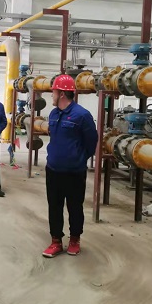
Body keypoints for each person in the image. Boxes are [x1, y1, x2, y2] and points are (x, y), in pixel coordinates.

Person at [42, 74, 98, 258]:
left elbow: (91, 142)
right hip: (53, 170)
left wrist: (78, 158)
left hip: (74, 172)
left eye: (54, 92)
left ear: (62, 94)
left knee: (75, 207)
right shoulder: (53, 114)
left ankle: (74, 240)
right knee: (54, 206)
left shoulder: (82, 115)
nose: (52, 95)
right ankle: (56, 241)